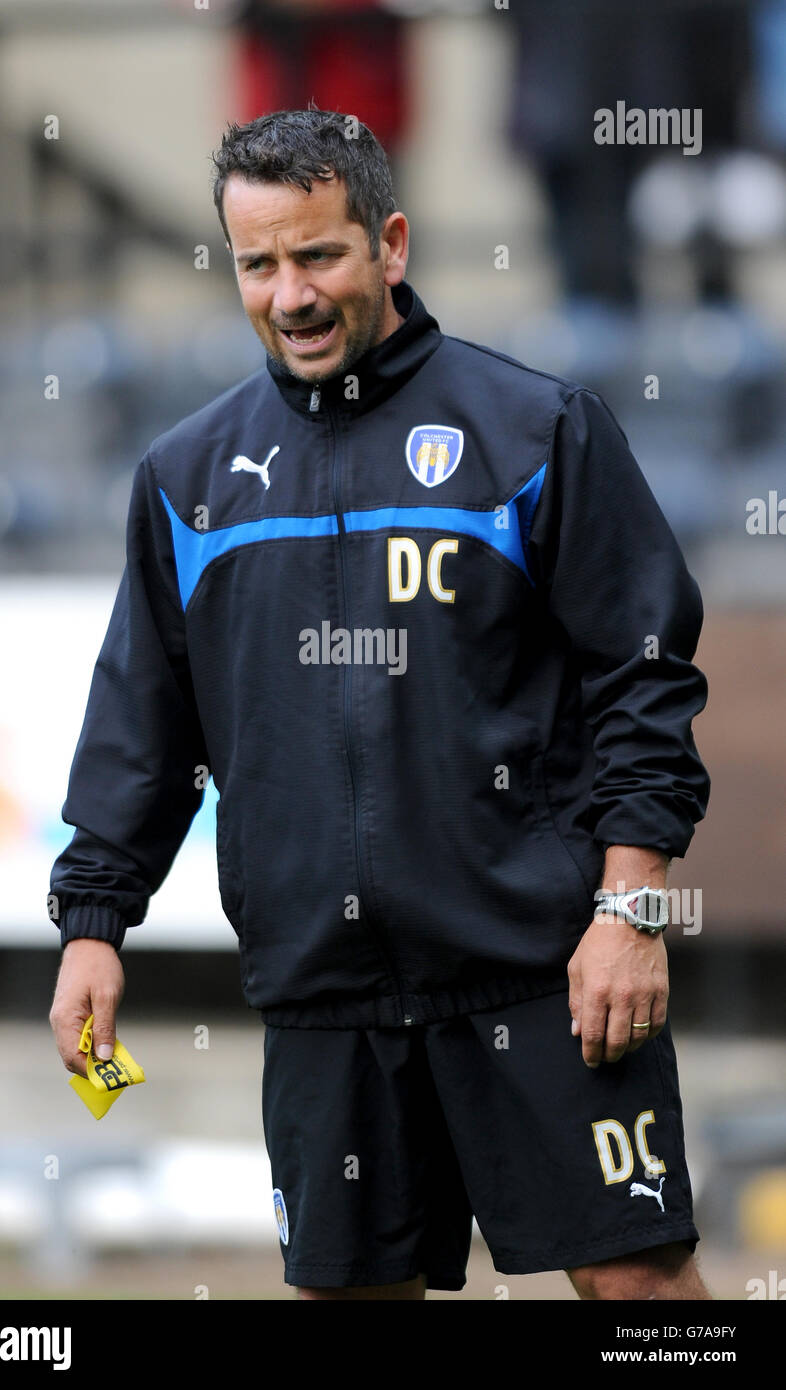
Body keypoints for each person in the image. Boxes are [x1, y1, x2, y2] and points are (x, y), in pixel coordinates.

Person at [48, 107, 712, 1300]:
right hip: (323, 996)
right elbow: (142, 724)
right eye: (258, 264)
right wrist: (93, 923)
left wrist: (632, 912)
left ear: (390, 243)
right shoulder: (187, 481)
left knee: (640, 1291)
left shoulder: (536, 431)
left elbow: (643, 679)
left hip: (541, 970)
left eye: (318, 256)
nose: (289, 294)